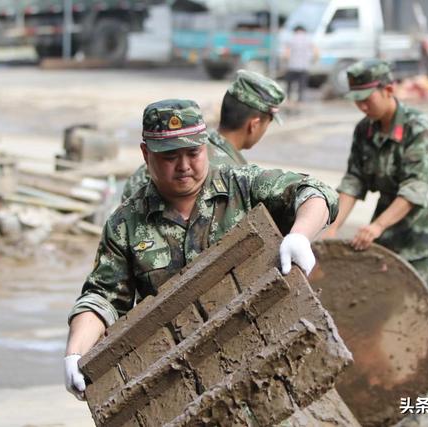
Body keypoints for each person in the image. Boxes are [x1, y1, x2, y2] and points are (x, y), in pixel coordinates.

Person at [64, 99, 338, 400]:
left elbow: (315, 193)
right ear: (146, 154)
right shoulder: (126, 223)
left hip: (266, 355)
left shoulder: (244, 189)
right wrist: (76, 354)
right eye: (169, 156)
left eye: (193, 153)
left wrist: (299, 235)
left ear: (205, 146)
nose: (184, 166)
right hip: (182, 379)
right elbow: (101, 298)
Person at [321, 59, 428, 306]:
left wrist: (377, 227)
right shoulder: (365, 130)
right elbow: (354, 181)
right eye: (357, 100)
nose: (362, 106)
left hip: (423, 237)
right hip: (388, 238)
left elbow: (415, 189)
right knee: (382, 307)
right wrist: (332, 226)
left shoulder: (419, 129)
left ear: (388, 90)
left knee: (419, 312)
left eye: (367, 99)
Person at [120, 70, 285, 201]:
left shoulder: (161, 156)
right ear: (254, 125)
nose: (184, 165)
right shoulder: (236, 178)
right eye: (267, 123)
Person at [282, 25, 318, 102]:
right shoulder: (308, 39)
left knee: (289, 86)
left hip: (292, 67)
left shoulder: (291, 39)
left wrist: (286, 62)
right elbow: (316, 52)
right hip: (304, 67)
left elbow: (286, 54)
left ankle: (289, 100)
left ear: (295, 31)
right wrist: (313, 61)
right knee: (302, 87)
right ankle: (300, 101)